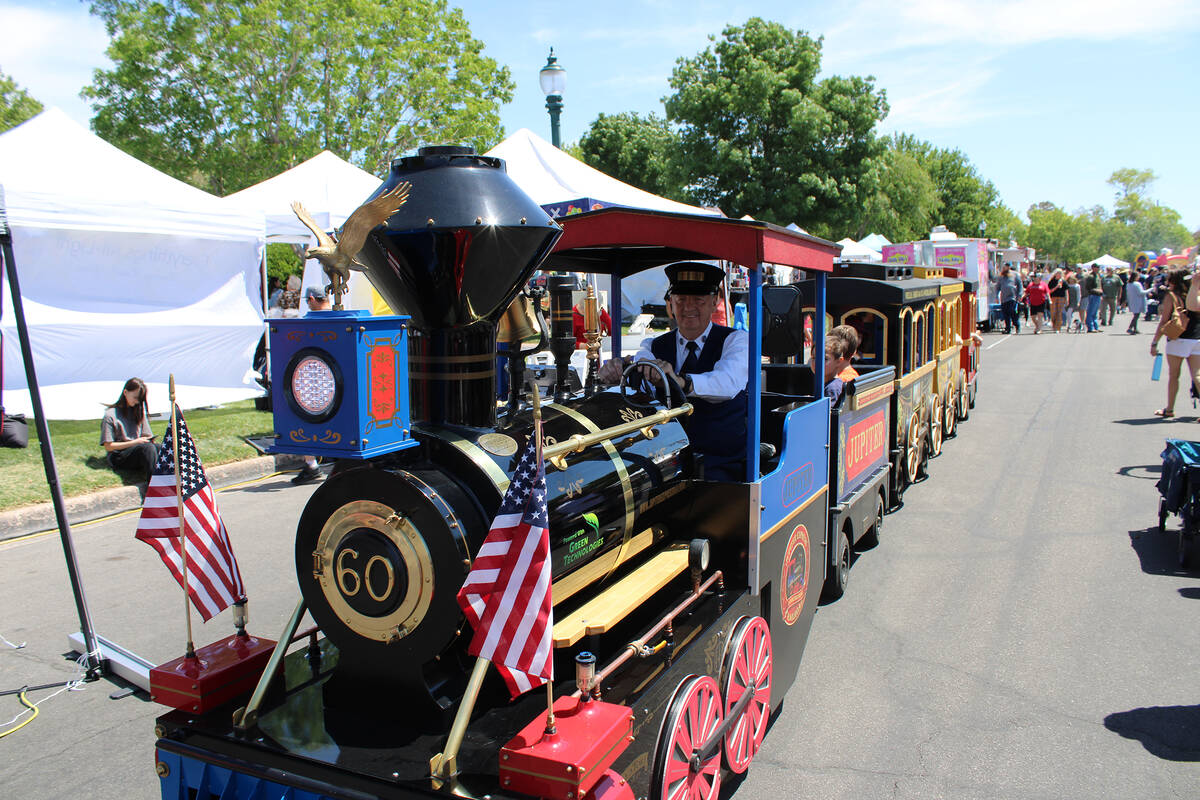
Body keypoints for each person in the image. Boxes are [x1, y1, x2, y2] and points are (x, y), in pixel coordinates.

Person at [597, 262, 747, 481]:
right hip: (666, 459)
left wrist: (680, 381)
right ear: (671, 304)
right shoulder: (654, 345)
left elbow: (726, 384)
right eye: (681, 299)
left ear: (715, 302)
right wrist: (615, 372)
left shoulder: (735, 341)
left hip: (721, 460)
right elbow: (641, 361)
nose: (688, 307)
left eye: (698, 300)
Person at [293, 286, 333, 484]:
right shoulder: (339, 318)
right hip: (334, 382)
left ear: (311, 299)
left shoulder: (308, 323)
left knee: (304, 422)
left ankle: (311, 466)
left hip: (315, 381)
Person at [1149, 270, 1200, 419]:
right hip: (1197, 337)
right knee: (1197, 375)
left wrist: (1155, 342)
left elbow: (1164, 321)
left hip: (1178, 338)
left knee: (1174, 375)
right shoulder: (1195, 293)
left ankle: (1170, 409)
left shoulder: (1171, 296)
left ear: (1173, 281)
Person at [100, 377, 158, 480]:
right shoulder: (110, 415)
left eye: (140, 399)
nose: (137, 401)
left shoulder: (138, 411)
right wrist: (135, 442)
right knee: (148, 449)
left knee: (164, 448)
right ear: (125, 392)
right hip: (118, 456)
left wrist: (148, 439)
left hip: (137, 450)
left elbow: (147, 435)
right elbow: (108, 446)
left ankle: (176, 482)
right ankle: (154, 485)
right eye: (135, 397)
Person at [815, 334, 854, 405]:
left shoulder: (832, 389)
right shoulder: (828, 384)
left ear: (839, 361)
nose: (816, 362)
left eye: (825, 359)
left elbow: (827, 414)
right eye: (813, 357)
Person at [997, 267, 1023, 334]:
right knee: (1006, 314)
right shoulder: (1001, 277)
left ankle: (1017, 326)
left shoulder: (1015, 275)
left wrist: (1019, 295)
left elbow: (1020, 285)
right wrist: (996, 296)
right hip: (1003, 299)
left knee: (1012, 312)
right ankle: (1008, 328)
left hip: (1012, 297)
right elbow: (998, 287)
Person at [1083, 264, 1104, 332]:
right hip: (1093, 295)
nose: (1097, 268)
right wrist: (1095, 290)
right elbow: (1088, 287)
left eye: (1098, 267)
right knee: (1090, 312)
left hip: (1098, 295)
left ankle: (1096, 327)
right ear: (1093, 268)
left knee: (1095, 312)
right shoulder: (1090, 276)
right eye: (1096, 267)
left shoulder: (1098, 275)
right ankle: (1090, 327)